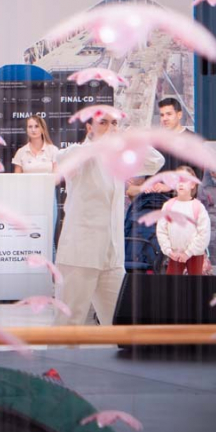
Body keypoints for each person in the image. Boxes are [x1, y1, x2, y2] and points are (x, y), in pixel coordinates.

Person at [55, 114, 163, 326]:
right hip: (80, 256)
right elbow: (63, 158)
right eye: (103, 123)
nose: (111, 128)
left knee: (120, 322)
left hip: (112, 257)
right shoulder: (78, 154)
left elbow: (155, 162)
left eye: (114, 123)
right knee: (68, 323)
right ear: (89, 128)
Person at [124, 97, 204, 273]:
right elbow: (146, 171)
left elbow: (196, 178)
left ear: (179, 115)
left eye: (169, 114)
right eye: (161, 115)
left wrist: (170, 186)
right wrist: (141, 183)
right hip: (151, 200)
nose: (164, 119)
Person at [155, 166, 211, 275]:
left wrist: (188, 253)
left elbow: (204, 234)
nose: (180, 183)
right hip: (174, 255)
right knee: (171, 283)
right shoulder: (168, 206)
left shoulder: (198, 207)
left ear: (193, 184)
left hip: (195, 255)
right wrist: (169, 251)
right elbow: (161, 231)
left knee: (195, 283)